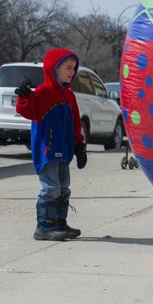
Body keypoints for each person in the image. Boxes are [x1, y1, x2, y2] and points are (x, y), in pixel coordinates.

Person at [15, 48, 88, 241]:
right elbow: (28, 110)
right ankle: (44, 226)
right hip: (47, 151)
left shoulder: (69, 96)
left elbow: (75, 124)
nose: (72, 72)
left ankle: (59, 224)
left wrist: (79, 146)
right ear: (54, 68)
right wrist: (24, 96)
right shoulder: (43, 92)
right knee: (51, 188)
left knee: (64, 187)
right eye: (69, 67)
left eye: (74, 68)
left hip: (64, 151)